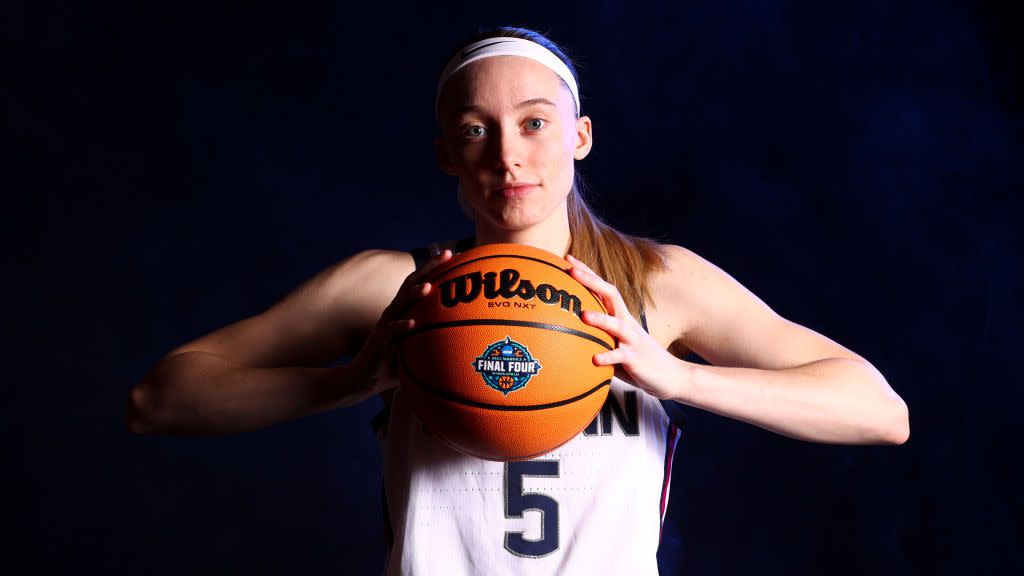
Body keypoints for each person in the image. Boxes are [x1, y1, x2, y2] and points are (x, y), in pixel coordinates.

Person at [125, 26, 910, 575]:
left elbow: (880, 412)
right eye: (475, 130)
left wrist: (681, 379)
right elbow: (157, 399)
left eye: (535, 123)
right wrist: (352, 380)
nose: (508, 156)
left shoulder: (654, 285)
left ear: (581, 135)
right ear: (446, 153)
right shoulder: (395, 288)